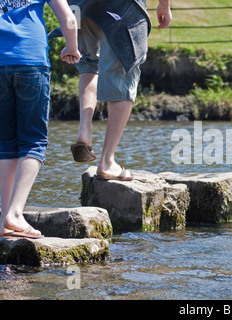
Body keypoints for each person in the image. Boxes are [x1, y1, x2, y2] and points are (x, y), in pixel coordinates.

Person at [66, 0, 172, 181]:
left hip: (78, 3)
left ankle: (85, 129)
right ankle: (107, 162)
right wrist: (164, 5)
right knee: (124, 70)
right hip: (121, 5)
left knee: (88, 62)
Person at [0, 0, 80, 238]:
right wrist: (71, 47)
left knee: (4, 142)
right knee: (34, 141)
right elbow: (69, 18)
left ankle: (5, 219)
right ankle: (14, 212)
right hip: (30, 60)